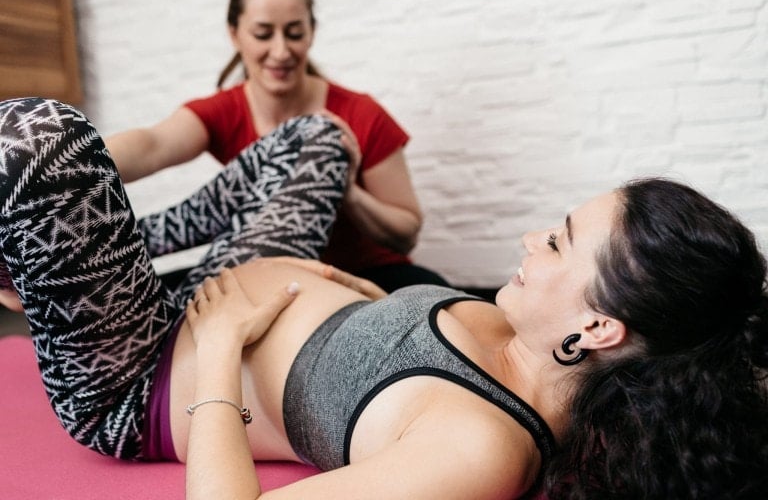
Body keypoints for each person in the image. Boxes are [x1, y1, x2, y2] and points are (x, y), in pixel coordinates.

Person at [2, 98, 767, 500]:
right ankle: (97, 251)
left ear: (597, 327)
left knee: (37, 139)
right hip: (226, 287)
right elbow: (381, 333)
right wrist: (341, 287)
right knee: (323, 139)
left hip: (144, 371)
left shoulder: (483, 450)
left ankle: (68, 257)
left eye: (561, 241)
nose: (535, 238)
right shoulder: (518, 330)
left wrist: (223, 343)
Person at [104, 0, 449, 293]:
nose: (281, 51)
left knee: (437, 300)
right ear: (235, 34)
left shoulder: (360, 114)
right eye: (263, 34)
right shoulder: (225, 110)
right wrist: (71, 165)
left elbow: (406, 232)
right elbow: (152, 145)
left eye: (294, 33)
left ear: (312, 32)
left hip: (366, 273)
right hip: (268, 270)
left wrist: (348, 193)